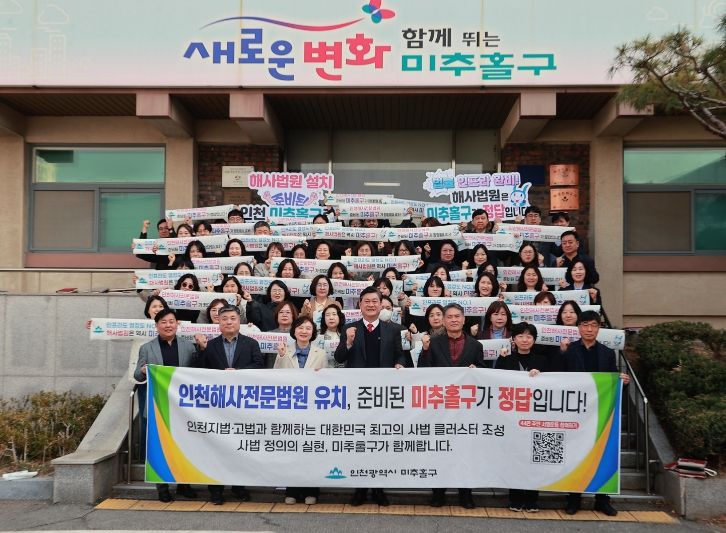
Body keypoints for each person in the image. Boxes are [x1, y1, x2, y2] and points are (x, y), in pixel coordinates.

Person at [334, 287, 405, 507]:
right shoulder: (349, 328)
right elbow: (339, 358)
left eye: (375, 301)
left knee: (380, 442)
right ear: (360, 304)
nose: (371, 305)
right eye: (367, 301)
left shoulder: (392, 329)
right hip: (358, 396)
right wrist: (348, 342)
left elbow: (400, 354)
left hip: (384, 395)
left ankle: (378, 488)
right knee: (360, 442)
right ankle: (360, 489)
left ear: (381, 304)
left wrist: (400, 363)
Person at [560, 310, 630, 516]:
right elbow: (558, 378)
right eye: (585, 325)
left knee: (602, 454)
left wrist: (623, 382)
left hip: (600, 412)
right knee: (575, 455)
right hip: (574, 412)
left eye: (593, 325)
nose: (589, 329)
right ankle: (573, 498)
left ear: (599, 328)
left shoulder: (607, 353)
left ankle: (602, 500)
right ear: (579, 328)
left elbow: (611, 382)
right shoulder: (569, 351)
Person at [419, 303, 484, 508]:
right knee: (439, 450)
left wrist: (476, 370)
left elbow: (483, 374)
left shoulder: (476, 345)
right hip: (439, 407)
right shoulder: (434, 343)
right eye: (450, 317)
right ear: (444, 321)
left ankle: (466, 494)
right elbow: (422, 370)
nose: (454, 320)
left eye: (457, 316)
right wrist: (425, 350)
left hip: (465, 408)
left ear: (464, 320)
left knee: (466, 452)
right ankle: (438, 493)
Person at [197, 304, 264, 505]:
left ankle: (239, 487)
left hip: (243, 406)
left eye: (232, 318)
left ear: (239, 320)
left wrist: (239, 373)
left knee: (240, 447)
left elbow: (259, 367)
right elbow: (200, 372)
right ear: (218, 322)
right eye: (224, 319)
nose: (228, 322)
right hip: (216, 407)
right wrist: (201, 350)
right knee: (216, 449)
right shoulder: (210, 346)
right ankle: (215, 490)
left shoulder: (251, 344)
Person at [133, 308, 201, 503]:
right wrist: (143, 371)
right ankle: (162, 488)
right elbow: (137, 375)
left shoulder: (188, 347)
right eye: (163, 322)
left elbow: (196, 374)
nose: (168, 325)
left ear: (177, 324)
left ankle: (184, 485)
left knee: (183, 448)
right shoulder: (147, 348)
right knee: (159, 449)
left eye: (171, 321)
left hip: (183, 407)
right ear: (157, 326)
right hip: (158, 406)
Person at [273, 316, 327, 505]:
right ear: (294, 330)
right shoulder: (284, 350)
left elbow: (327, 382)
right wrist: (281, 357)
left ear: (313, 333)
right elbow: (275, 377)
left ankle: (312, 490)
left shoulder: (321, 353)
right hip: (291, 408)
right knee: (292, 450)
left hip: (313, 409)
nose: (304, 331)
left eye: (308, 328)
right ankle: (292, 490)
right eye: (300, 327)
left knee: (311, 451)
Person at [495, 321, 548, 513]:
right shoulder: (505, 360)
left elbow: (554, 385)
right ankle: (515, 498)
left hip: (536, 417)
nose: (525, 340)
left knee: (534, 459)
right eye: (520, 336)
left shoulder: (543, 361)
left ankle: (532, 498)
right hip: (511, 418)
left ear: (534, 340)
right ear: (513, 339)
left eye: (529, 336)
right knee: (514, 458)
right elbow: (495, 383)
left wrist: (541, 377)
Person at [319, 303, 346, 368]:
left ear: (339, 317)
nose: (331, 318)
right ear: (324, 319)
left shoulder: (346, 334)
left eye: (334, 314)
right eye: (327, 315)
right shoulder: (318, 336)